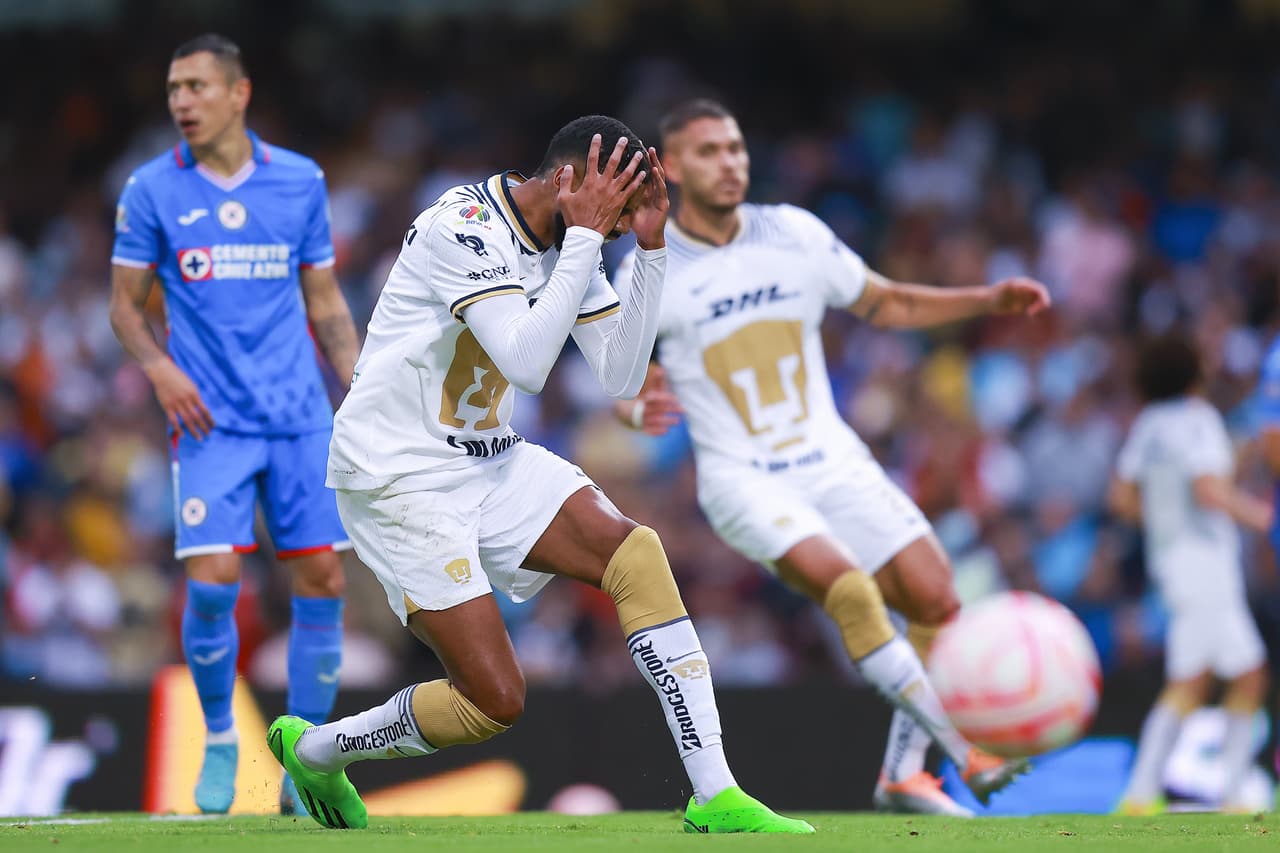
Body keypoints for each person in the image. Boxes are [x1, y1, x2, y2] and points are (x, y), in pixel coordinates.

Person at [264, 116, 810, 834]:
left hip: (489, 457)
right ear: (569, 181)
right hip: (400, 475)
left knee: (634, 552)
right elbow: (524, 361)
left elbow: (619, 374)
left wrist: (650, 250)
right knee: (494, 700)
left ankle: (715, 793)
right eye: (616, 207)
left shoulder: (572, 243)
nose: (617, 224)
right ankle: (314, 750)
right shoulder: (460, 229)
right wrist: (586, 239)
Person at [612, 99, 1049, 816]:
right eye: (709, 151)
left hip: (830, 457)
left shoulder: (794, 233)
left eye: (736, 147)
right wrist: (638, 410)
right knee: (850, 590)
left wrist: (986, 299)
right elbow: (620, 385)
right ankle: (968, 751)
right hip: (743, 477)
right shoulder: (648, 267)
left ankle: (904, 774)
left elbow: (888, 304)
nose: (730, 162)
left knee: (936, 596)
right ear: (673, 167)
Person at [109, 34, 359, 816]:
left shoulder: (299, 181)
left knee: (321, 577)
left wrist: (360, 388)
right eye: (173, 88)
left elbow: (323, 299)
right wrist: (158, 367)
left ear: (238, 93)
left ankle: (306, 756)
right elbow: (124, 304)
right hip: (210, 420)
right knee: (213, 580)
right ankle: (220, 734)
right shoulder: (150, 188)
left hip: (297, 417)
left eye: (195, 86)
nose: (180, 101)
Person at [1110, 333, 1270, 814]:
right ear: (1192, 373)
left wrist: (1163, 525)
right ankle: (1231, 795)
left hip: (1173, 564)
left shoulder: (1149, 425)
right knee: (1243, 675)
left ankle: (1144, 795)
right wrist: (1264, 518)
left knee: (1198, 680)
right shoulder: (1199, 420)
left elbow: (1121, 498)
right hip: (1205, 564)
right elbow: (1208, 490)